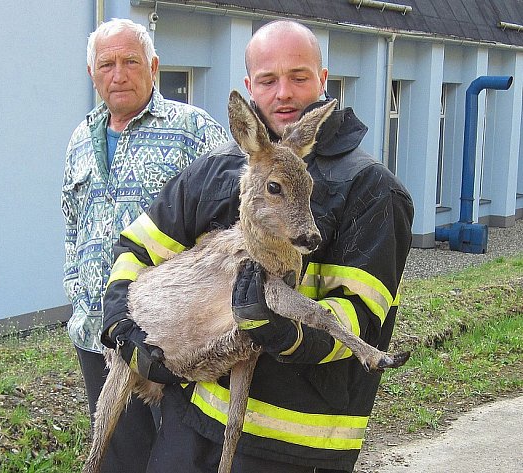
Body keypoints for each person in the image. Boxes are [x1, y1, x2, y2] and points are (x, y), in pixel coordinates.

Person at [102, 19, 414, 473]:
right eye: (268, 80)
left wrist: (284, 332)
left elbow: (362, 316)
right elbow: (139, 247)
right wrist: (118, 316)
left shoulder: (370, 188)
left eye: (299, 76)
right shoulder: (218, 170)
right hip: (195, 421)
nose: (283, 92)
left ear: (324, 80)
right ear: (250, 86)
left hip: (296, 443)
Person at [61, 18, 228, 472]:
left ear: (154, 66)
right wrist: (77, 292)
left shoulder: (192, 129)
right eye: (107, 63)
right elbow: (73, 224)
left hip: (170, 337)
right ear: (92, 74)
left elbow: (229, 224)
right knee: (121, 457)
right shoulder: (81, 138)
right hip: (99, 335)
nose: (119, 74)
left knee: (180, 456)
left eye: (131, 61)